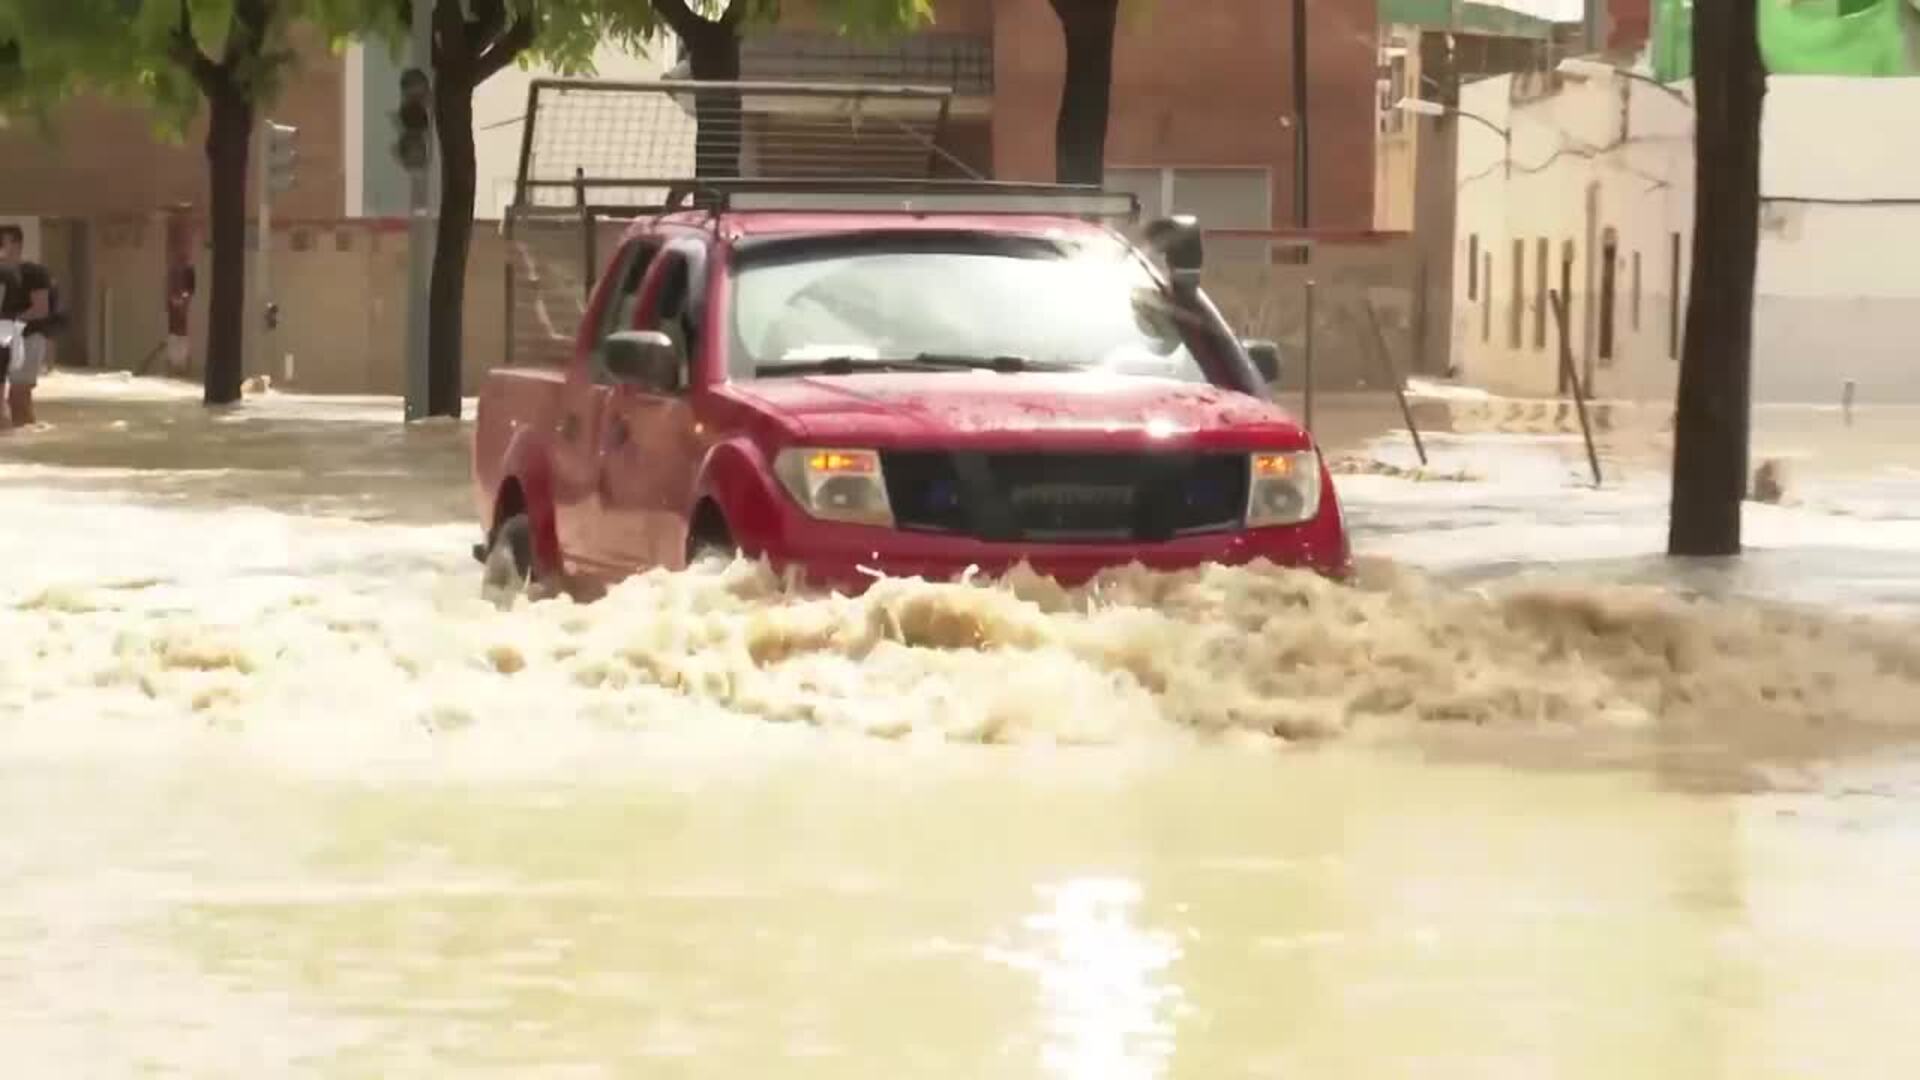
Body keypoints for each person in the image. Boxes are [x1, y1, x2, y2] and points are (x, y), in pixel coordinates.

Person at [0, 224, 55, 428]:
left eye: (3, 241)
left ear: (17, 244)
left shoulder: (34, 272)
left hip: (28, 337)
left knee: (19, 397)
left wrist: (11, 322)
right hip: (5, 337)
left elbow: (40, 308)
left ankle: (27, 441)